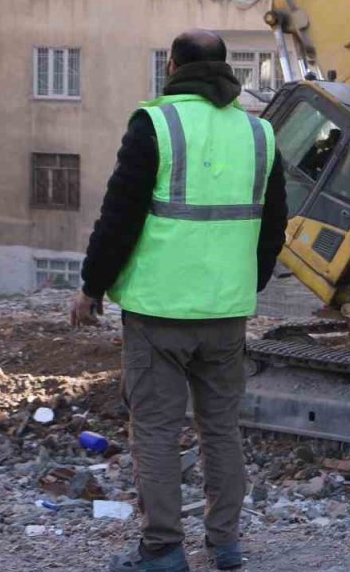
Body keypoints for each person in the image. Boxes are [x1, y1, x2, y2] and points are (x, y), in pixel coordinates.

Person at [72, 29, 287, 572]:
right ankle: (226, 545)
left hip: (159, 312)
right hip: (226, 314)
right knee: (221, 430)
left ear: (172, 67)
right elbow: (274, 225)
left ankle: (164, 549)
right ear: (226, 68)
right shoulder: (261, 134)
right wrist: (248, 282)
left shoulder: (156, 125)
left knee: (157, 433)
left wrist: (92, 287)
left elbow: (118, 215)